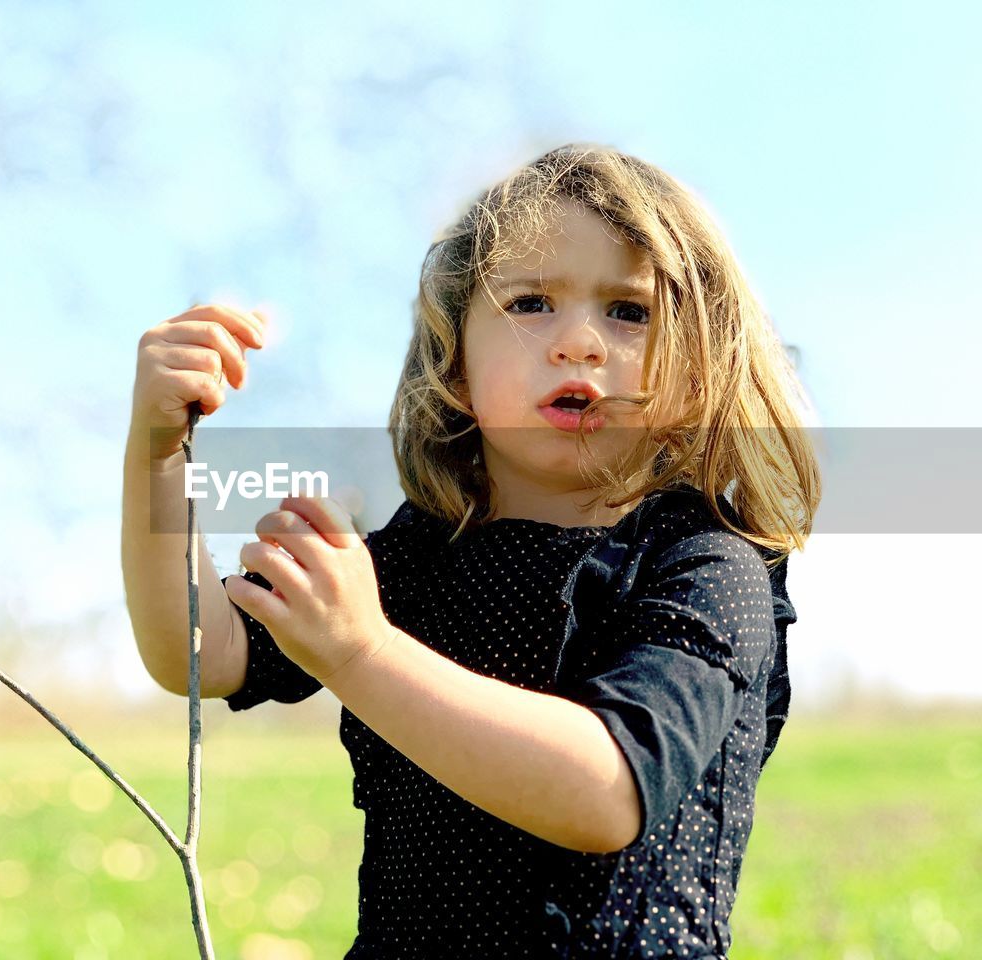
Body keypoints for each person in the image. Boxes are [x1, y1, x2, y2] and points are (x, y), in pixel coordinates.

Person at [122, 142, 821, 959]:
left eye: (628, 310)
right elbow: (203, 652)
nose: (579, 342)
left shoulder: (703, 565)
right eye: (530, 303)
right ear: (454, 361)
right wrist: (157, 454)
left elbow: (604, 791)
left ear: (701, 369)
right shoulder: (421, 556)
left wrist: (361, 651)